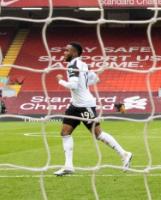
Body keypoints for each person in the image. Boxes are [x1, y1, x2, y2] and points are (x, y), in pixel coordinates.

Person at [53, 42, 132, 176]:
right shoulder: (84, 65)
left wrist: (60, 80)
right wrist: (83, 85)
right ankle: (68, 166)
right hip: (75, 105)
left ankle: (124, 153)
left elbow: (72, 85)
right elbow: (95, 79)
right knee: (65, 132)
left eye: (67, 51)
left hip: (85, 105)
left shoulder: (73, 66)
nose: (64, 53)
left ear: (74, 53)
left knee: (98, 134)